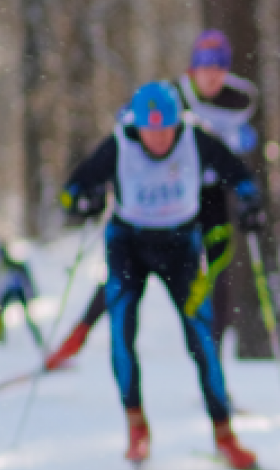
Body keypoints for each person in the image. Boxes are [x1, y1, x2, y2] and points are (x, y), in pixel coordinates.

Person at [59, 82, 266, 469]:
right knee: (121, 335)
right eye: (151, 130)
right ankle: (136, 426)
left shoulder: (195, 139)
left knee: (202, 339)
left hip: (180, 248)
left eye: (166, 129)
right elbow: (71, 189)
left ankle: (224, 433)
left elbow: (240, 174)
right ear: (138, 124)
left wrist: (251, 201)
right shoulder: (119, 143)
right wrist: (82, 201)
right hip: (128, 246)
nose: (158, 138)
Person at [45, 30, 263, 369]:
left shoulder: (240, 98)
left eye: (220, 70)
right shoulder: (172, 94)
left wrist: (243, 171)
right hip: (165, 197)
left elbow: (237, 147)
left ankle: (213, 364)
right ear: (193, 70)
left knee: (220, 273)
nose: (212, 77)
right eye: (205, 69)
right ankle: (78, 334)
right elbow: (130, 124)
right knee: (127, 271)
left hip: (210, 196)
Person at [0, 235, 39, 347]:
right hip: (1, 295)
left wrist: (31, 294)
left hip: (14, 291)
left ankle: (38, 340)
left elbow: (26, 280)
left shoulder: (12, 265)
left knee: (27, 317)